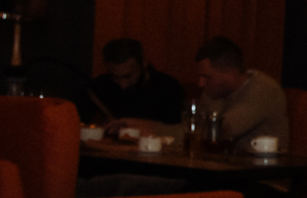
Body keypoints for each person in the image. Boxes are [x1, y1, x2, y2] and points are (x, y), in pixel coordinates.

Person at [104, 37, 287, 152]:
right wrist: (139, 125)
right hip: (225, 174)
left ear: (229, 73)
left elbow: (211, 134)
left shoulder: (262, 91)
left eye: (206, 77)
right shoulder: (214, 91)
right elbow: (190, 129)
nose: (200, 84)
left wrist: (148, 129)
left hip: (262, 182)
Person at [87, 37, 187, 125]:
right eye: (115, 77)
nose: (123, 85)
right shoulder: (99, 87)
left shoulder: (169, 88)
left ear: (143, 63)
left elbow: (177, 129)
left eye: (128, 76)